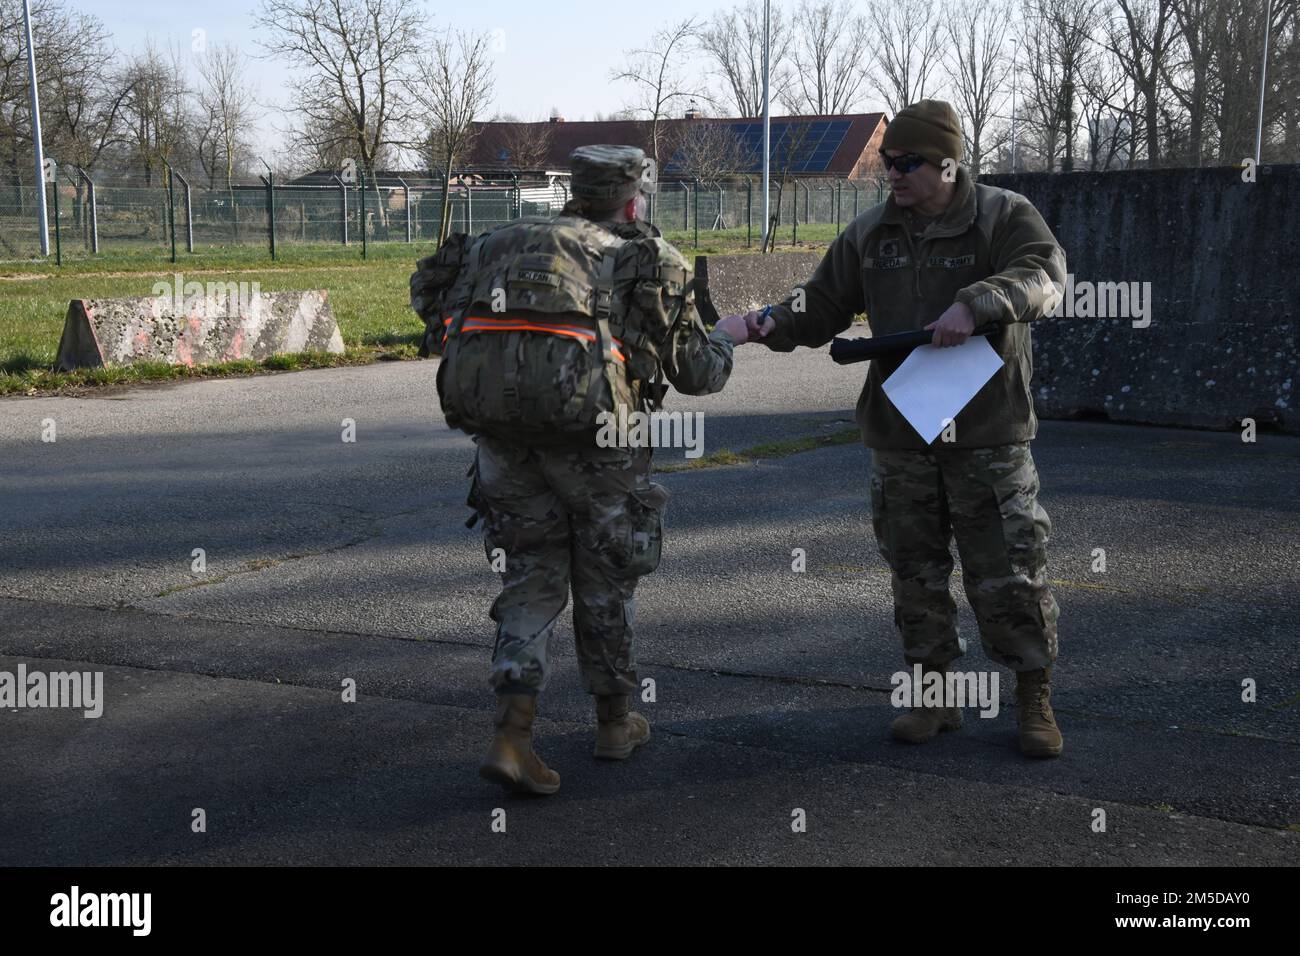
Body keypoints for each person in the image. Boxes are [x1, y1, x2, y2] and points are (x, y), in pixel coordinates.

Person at [730, 100, 1068, 757]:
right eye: (888, 162)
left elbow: (1044, 276)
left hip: (986, 431)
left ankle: (1033, 696)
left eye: (907, 162)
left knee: (1010, 570)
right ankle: (934, 698)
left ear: (947, 162)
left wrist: (977, 304)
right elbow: (822, 301)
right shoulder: (871, 232)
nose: (893, 173)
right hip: (902, 432)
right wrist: (761, 322)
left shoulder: (1003, 215)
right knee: (914, 573)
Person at [412, 145, 751, 794]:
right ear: (632, 199)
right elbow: (699, 374)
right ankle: (614, 722)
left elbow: (431, 305)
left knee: (532, 577)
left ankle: (513, 735)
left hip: (505, 442)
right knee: (604, 581)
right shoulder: (646, 259)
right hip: (600, 444)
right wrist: (728, 335)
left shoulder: (497, 244)